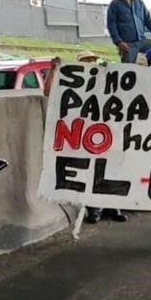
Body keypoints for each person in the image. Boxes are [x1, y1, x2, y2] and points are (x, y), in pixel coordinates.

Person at [43, 53, 127, 224]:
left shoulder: (103, 79)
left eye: (93, 61)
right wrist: (54, 71)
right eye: (87, 61)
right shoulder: (73, 83)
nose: (91, 64)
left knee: (109, 168)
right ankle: (94, 208)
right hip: (83, 133)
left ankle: (112, 205)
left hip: (105, 132)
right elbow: (49, 92)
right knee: (90, 171)